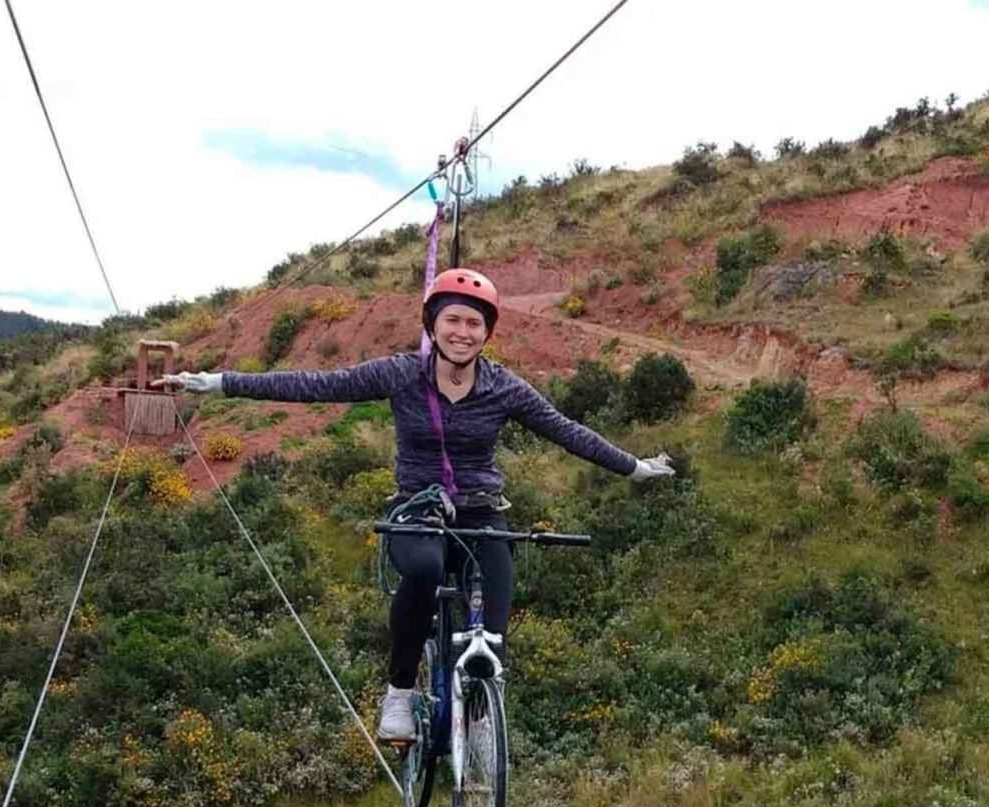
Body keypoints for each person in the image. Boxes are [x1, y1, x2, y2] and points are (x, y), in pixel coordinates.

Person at [159, 267, 674, 741]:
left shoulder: (504, 388)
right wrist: (220, 382)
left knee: (493, 629)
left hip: (480, 511)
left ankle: (476, 724)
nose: (462, 332)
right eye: (452, 320)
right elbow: (316, 385)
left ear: (487, 333)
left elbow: (566, 430)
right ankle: (400, 694)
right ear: (432, 324)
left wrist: (633, 466)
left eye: (474, 323)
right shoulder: (402, 374)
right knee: (425, 572)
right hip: (418, 508)